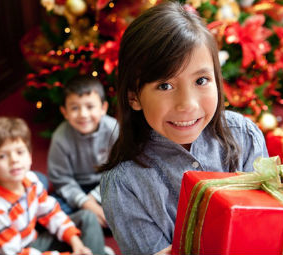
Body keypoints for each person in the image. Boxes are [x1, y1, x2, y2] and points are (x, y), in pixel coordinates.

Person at [98, 2, 269, 255]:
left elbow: (267, 223)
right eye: (165, 85)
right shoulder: (124, 185)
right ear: (134, 96)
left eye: (201, 80)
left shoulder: (244, 134)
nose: (187, 105)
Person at [0, 117, 105, 255]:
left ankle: (93, 250)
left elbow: (51, 213)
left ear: (29, 156)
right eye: (2, 156)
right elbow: (15, 253)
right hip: (15, 251)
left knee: (87, 217)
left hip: (32, 241)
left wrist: (75, 242)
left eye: (19, 152)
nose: (14, 160)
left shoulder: (30, 179)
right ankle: (97, 250)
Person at [47, 75, 119, 228]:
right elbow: (61, 179)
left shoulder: (114, 129)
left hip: (108, 184)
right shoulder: (60, 137)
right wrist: (85, 202)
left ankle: (94, 221)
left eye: (90, 107)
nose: (83, 114)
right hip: (77, 186)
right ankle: (96, 220)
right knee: (51, 208)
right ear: (64, 112)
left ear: (103, 108)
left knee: (133, 197)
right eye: (74, 108)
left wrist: (94, 197)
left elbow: (120, 169)